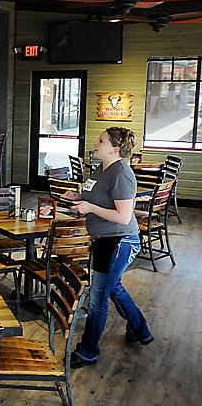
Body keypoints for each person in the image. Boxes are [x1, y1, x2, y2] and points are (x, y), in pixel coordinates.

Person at [62, 127, 153, 369]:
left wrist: (89, 209)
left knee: (98, 297)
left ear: (115, 149)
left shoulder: (122, 174)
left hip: (120, 242)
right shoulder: (101, 168)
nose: (96, 143)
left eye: (101, 141)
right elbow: (97, 195)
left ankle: (88, 350)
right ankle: (140, 330)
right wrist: (77, 195)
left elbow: (124, 217)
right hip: (104, 241)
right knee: (113, 289)